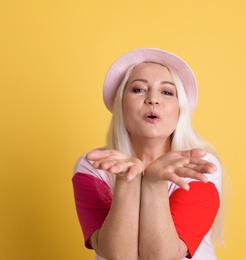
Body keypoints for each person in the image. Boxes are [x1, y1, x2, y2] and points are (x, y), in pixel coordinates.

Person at [72, 48, 225, 260]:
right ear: (121, 104)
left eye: (167, 92)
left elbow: (162, 256)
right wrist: (128, 179)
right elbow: (118, 256)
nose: (153, 99)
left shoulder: (199, 167)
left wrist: (153, 183)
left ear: (180, 109)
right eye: (138, 89)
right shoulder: (94, 166)